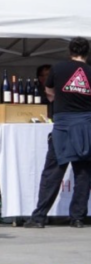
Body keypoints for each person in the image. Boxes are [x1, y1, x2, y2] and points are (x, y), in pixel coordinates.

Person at [25, 39, 91, 229]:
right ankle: (77, 218)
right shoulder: (89, 72)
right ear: (87, 53)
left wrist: (62, 98)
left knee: (52, 172)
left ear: (70, 51)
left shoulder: (58, 68)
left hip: (62, 126)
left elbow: (49, 92)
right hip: (85, 127)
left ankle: (39, 218)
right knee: (83, 173)